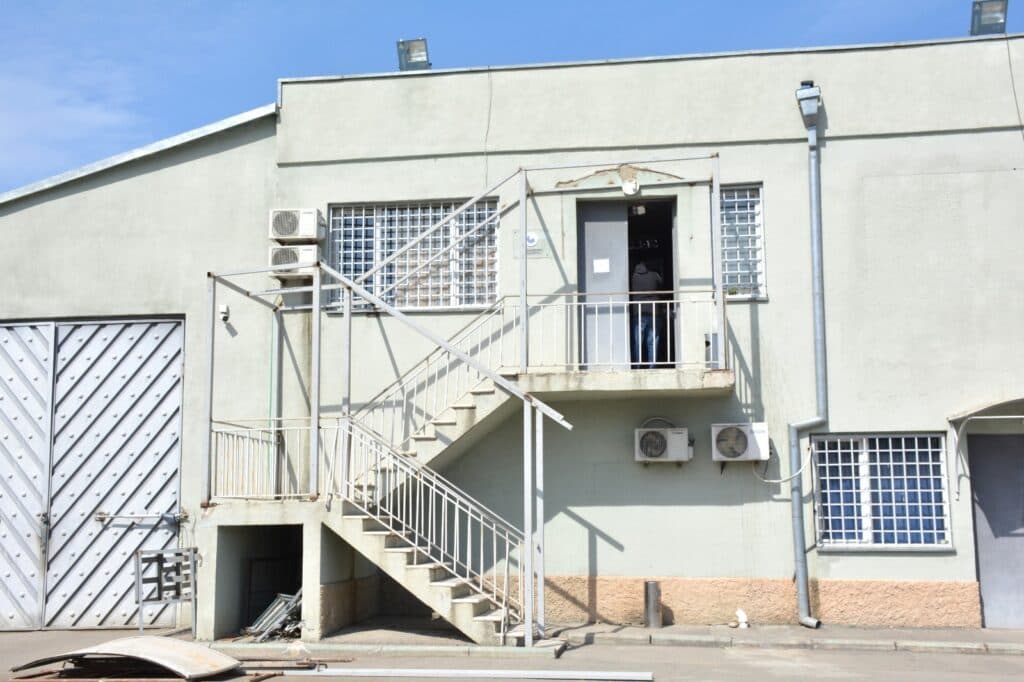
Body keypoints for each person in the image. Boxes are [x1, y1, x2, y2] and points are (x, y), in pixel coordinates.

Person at [630, 262, 663, 368]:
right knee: (652, 341)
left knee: (637, 342)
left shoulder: (633, 277)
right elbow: (661, 283)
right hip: (654, 311)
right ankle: (652, 367)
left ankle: (637, 366)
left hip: (638, 312)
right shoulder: (654, 275)